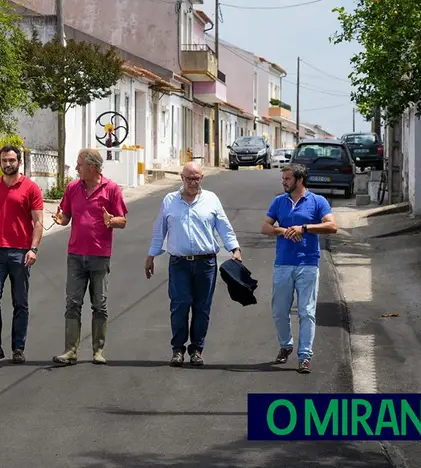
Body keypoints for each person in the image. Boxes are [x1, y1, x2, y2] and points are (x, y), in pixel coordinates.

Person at [145, 162, 242, 367]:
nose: (192, 182)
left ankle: (196, 349)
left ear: (202, 178)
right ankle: (178, 349)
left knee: (202, 307)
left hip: (206, 263)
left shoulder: (211, 199)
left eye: (196, 178)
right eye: (189, 178)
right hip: (179, 263)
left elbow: (224, 226)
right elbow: (159, 230)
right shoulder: (170, 201)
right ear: (182, 178)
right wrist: (151, 255)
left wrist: (235, 249)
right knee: (180, 304)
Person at [51, 148, 128, 365]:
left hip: (100, 256)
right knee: (72, 303)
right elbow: (66, 216)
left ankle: (98, 351)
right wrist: (60, 219)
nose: (76, 168)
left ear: (92, 167)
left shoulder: (111, 189)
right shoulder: (73, 188)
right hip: (75, 255)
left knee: (99, 304)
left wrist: (111, 221)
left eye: (79, 164)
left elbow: (122, 221)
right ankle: (70, 351)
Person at [261, 163, 338, 374]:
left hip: (308, 264)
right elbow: (265, 227)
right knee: (279, 311)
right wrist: (283, 230)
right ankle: (286, 345)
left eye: (287, 178)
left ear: (299, 180)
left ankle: (305, 356)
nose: (283, 182)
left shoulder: (317, 201)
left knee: (307, 312)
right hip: (283, 264)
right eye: (283, 179)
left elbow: (332, 226)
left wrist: (304, 228)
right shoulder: (279, 201)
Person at [0, 145, 45, 364]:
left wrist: (33, 249)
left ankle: (18, 348)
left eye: (12, 160)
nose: (8, 164)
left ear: (19, 162)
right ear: (0, 162)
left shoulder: (31, 188)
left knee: (20, 302)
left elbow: (38, 222)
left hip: (20, 252)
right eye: (4, 160)